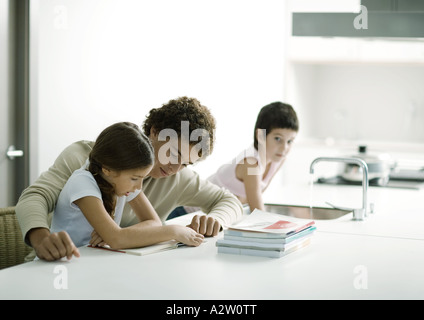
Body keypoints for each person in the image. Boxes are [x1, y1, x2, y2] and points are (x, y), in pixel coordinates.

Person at [15, 97, 243, 261]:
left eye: (186, 163)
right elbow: (35, 196)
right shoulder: (85, 158)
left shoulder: (179, 178)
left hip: (119, 271)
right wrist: (41, 237)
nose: (175, 168)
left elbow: (230, 201)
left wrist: (217, 220)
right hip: (62, 263)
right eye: (174, 154)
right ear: (154, 131)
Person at [50, 122, 203, 257]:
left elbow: (154, 222)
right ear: (108, 169)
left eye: (142, 178)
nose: (139, 187)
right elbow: (117, 240)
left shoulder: (122, 182)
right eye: (135, 178)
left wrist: (115, 234)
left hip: (92, 260)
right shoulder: (82, 183)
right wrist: (173, 231)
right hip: (62, 262)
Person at [201, 102, 298, 213]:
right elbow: (257, 210)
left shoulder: (278, 159)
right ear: (260, 135)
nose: (284, 148)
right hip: (190, 212)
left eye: (290, 141)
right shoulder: (251, 163)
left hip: (213, 213)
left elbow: (254, 197)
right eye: (277, 138)